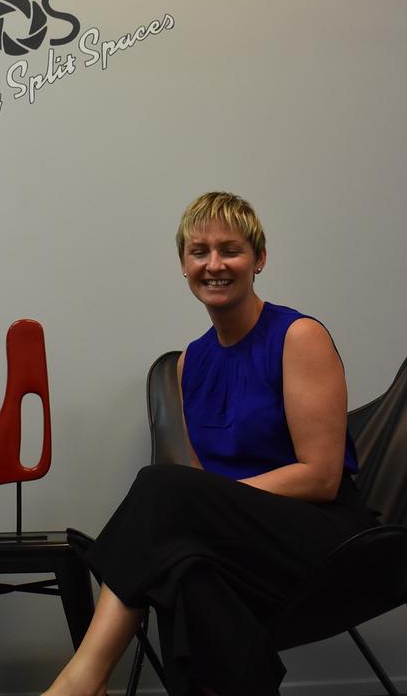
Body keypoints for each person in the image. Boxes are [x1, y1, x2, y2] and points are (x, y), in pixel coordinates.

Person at [44, 191, 377, 696]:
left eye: (231, 250)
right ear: (183, 264)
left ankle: (83, 679)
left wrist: (216, 501)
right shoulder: (190, 365)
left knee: (165, 490)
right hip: (241, 541)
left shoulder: (297, 336)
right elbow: (204, 490)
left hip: (325, 539)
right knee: (185, 570)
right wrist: (210, 505)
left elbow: (321, 476)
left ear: (259, 259)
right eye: (199, 251)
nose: (214, 264)